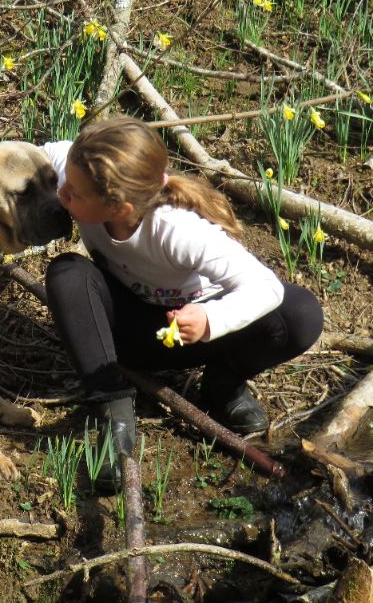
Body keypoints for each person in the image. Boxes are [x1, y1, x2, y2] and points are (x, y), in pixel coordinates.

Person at [43, 115, 323, 489]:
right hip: (124, 334)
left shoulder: (176, 230)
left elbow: (265, 286)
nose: (62, 195)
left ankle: (223, 385)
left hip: (190, 334)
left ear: (120, 208)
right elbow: (36, 155)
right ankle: (115, 419)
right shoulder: (76, 173)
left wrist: (210, 318)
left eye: (74, 194)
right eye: (67, 185)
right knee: (67, 272)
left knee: (300, 314)